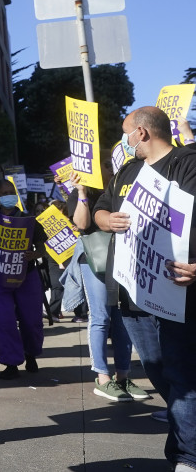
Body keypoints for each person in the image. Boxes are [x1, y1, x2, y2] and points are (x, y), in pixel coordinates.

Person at [94, 107, 196, 469]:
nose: (124, 140)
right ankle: (186, 441)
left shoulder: (188, 163)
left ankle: (187, 456)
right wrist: (109, 220)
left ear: (142, 133)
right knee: (157, 370)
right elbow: (100, 212)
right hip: (131, 291)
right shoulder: (128, 170)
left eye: (126, 132)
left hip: (176, 291)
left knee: (181, 373)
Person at [70, 173, 147, 404]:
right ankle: (102, 378)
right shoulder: (81, 192)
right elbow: (81, 224)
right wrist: (82, 192)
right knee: (101, 317)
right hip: (96, 259)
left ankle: (122, 377)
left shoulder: (122, 187)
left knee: (123, 317)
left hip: (122, 257)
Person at [0, 179, 46, 380]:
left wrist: (34, 255)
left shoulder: (29, 219)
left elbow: (43, 248)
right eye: (5, 192)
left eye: (12, 191)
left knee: (31, 320)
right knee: (4, 320)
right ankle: (11, 363)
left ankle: (31, 354)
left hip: (27, 277)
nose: (10, 195)